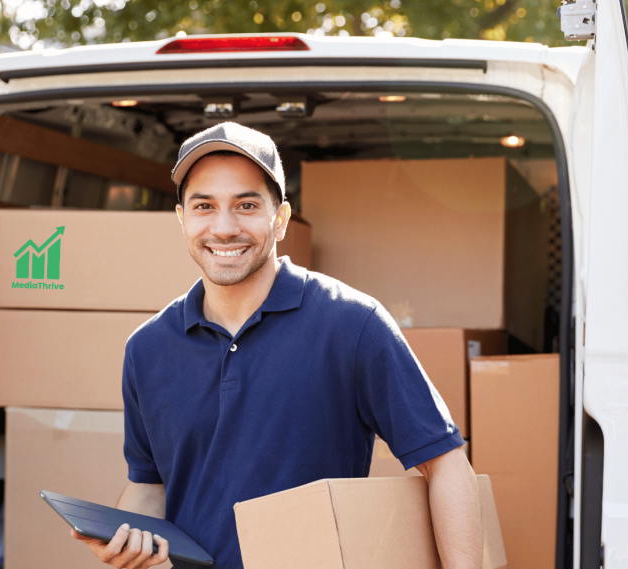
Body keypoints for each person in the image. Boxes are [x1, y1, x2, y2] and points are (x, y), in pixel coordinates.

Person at [71, 122, 483, 569]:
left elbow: (445, 465)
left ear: (281, 219)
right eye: (204, 206)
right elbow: (150, 487)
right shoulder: (147, 349)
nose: (224, 227)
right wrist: (127, 541)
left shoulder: (351, 324)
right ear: (182, 219)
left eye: (246, 205)